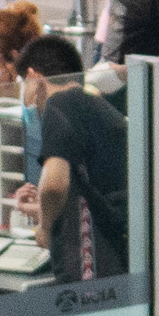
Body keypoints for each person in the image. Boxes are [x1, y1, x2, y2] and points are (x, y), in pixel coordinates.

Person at [13, 33, 123, 276]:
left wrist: (44, 227)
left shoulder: (60, 104)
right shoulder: (92, 106)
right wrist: (41, 207)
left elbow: (54, 185)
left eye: (23, 84)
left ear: (34, 77)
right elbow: (88, 196)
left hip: (90, 265)